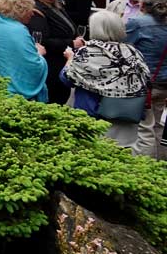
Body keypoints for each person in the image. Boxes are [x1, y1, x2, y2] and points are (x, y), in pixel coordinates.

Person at [60, 11, 149, 150]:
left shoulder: (87, 52)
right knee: (123, 160)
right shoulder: (133, 52)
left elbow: (67, 78)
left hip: (94, 119)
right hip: (128, 119)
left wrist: (70, 58)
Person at [0, 0, 48, 101]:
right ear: (21, 10)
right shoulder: (19, 31)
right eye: (30, 9)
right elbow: (33, 67)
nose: (32, 13)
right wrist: (40, 54)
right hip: (12, 96)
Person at [126, 0, 167, 158]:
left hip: (145, 84)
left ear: (143, 4)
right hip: (164, 83)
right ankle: (161, 168)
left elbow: (124, 48)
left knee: (144, 129)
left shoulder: (137, 23)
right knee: (159, 127)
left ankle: (145, 169)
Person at [25, 0, 76, 105]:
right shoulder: (36, 11)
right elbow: (42, 42)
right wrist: (71, 43)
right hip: (50, 65)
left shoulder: (56, 6)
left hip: (61, 62)